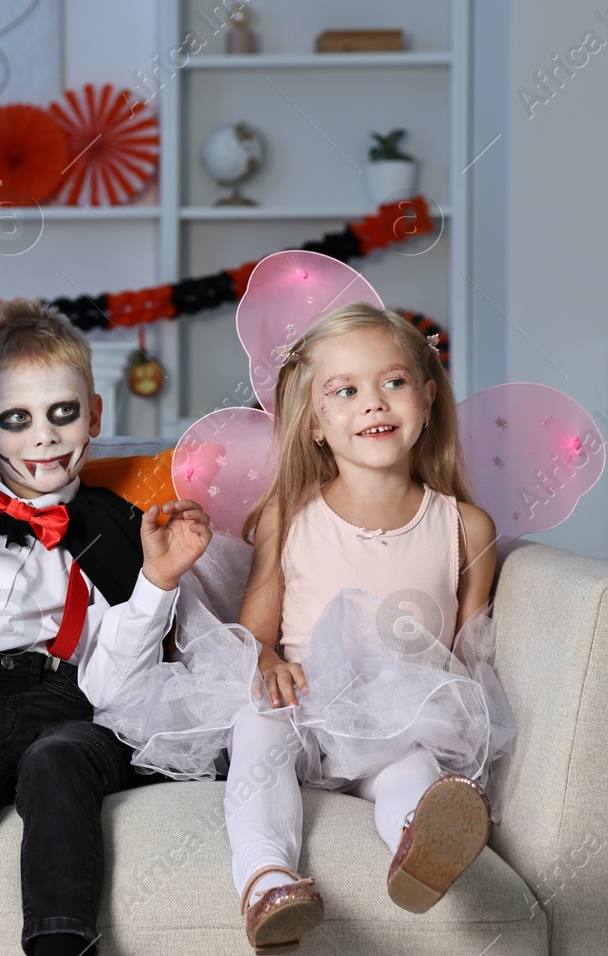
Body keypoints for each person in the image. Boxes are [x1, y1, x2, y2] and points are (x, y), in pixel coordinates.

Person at [106, 302, 508, 954]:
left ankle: (422, 844)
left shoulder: (466, 526)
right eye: (344, 390)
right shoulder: (291, 516)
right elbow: (255, 633)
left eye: (393, 382)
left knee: (413, 766)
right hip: (302, 703)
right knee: (257, 727)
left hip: (395, 715)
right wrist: (267, 662)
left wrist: (451, 712)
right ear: (317, 423)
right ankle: (267, 879)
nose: (373, 403)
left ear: (428, 397)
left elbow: (468, 646)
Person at [0, 299, 211, 956]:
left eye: (63, 413)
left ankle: (62, 942)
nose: (44, 437)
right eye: (17, 419)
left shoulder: (117, 526)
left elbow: (114, 686)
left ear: (94, 413)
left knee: (58, 758)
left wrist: (157, 583)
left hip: (71, 705)